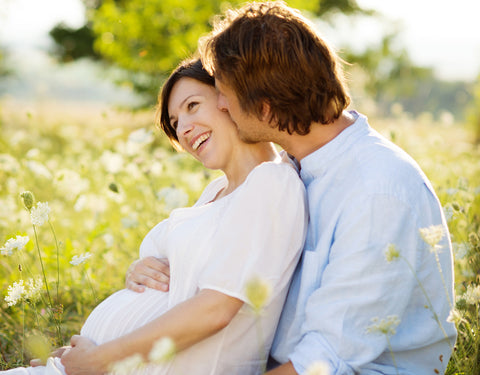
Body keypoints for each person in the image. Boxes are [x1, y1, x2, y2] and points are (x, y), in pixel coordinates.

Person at [127, 2, 457, 374]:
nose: (219, 105)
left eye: (224, 93)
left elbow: (326, 359)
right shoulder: (288, 172)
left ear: (265, 104)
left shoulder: (376, 189)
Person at [2, 58, 307, 375]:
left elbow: (215, 310)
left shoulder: (272, 182)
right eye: (175, 122)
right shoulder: (218, 191)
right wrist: (139, 271)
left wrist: (101, 358)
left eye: (192, 105)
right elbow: (183, 284)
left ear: (230, 97)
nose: (184, 129)